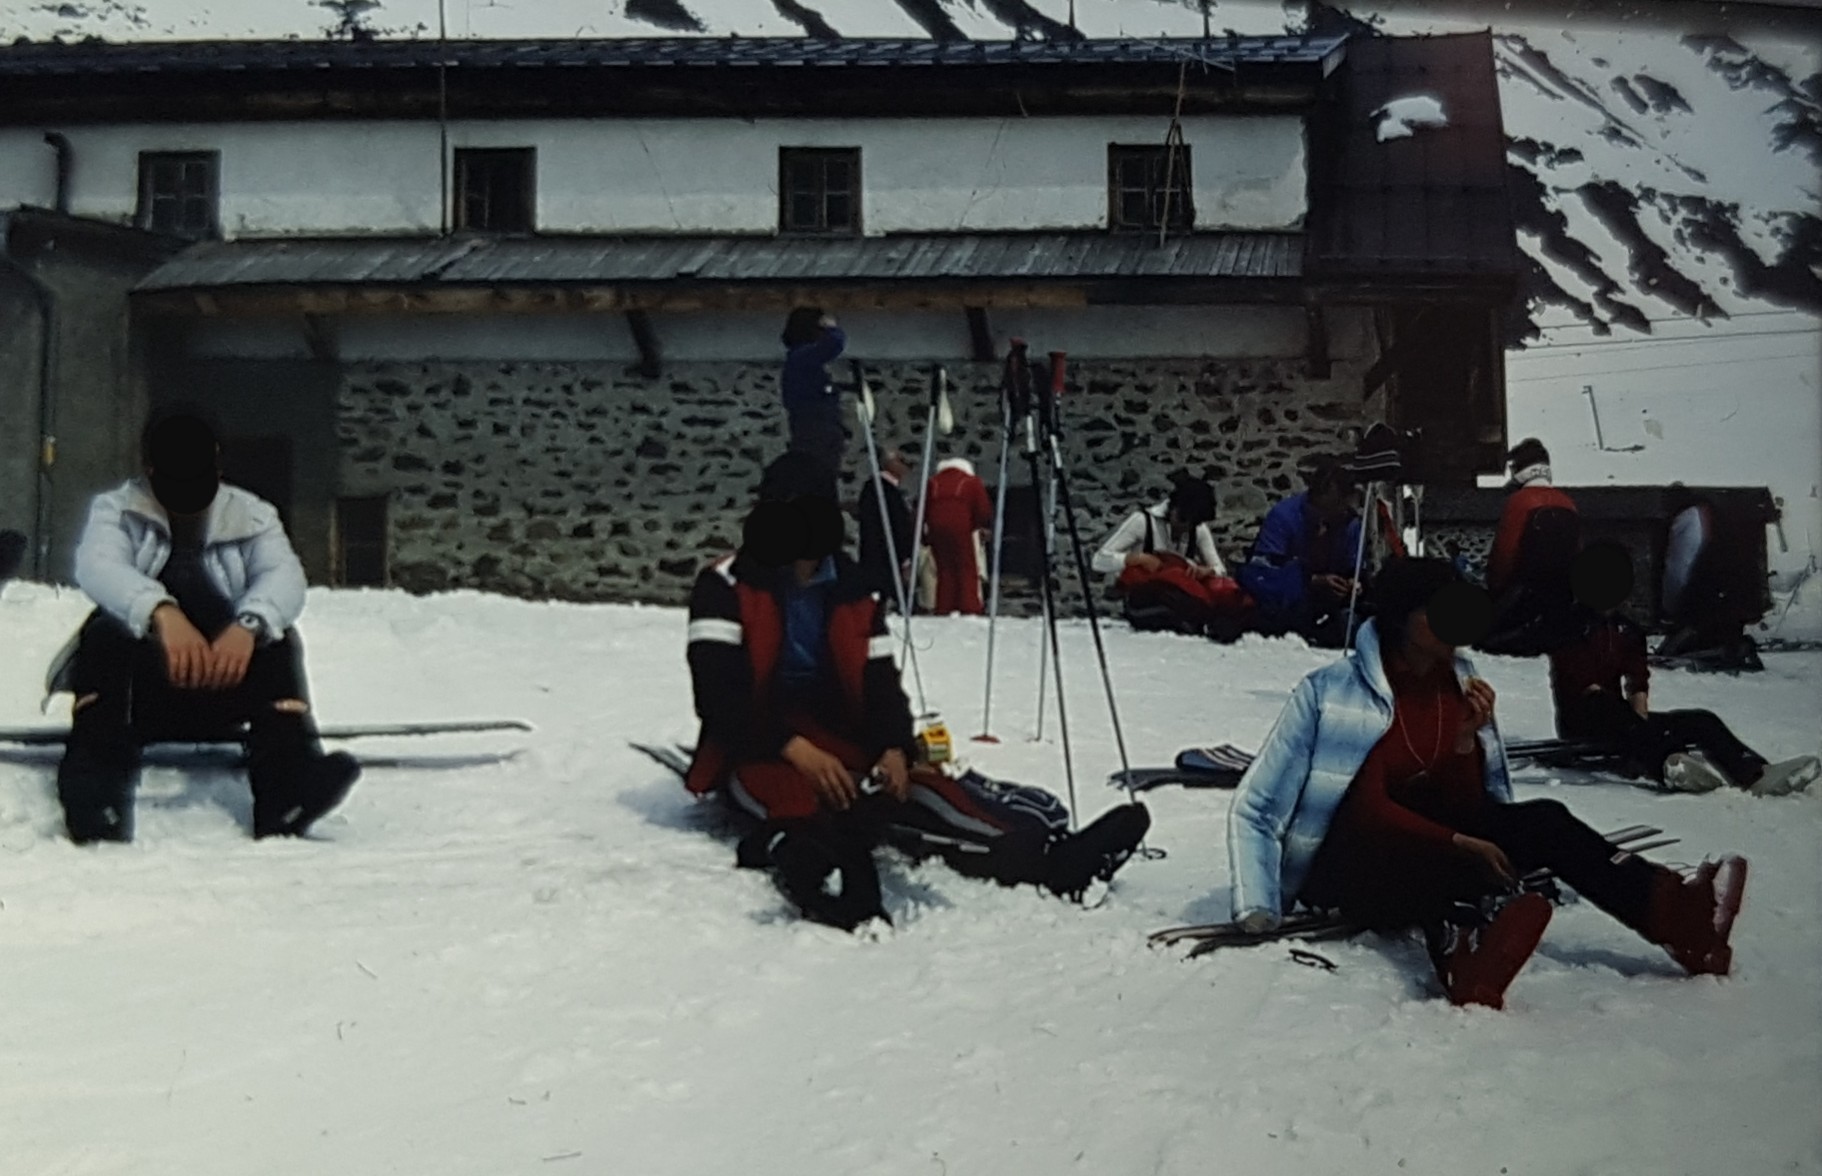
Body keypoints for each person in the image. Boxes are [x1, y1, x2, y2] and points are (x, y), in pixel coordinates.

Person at [1227, 557, 1749, 1009]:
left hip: (1423, 836)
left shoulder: (1457, 681)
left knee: (1544, 820)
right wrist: (1259, 905)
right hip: (1347, 862)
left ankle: (1678, 917)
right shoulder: (1333, 691)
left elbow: (1464, 802)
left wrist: (1464, 743)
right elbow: (1351, 809)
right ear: (1403, 619)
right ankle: (1465, 954)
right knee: (1435, 858)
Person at [683, 455, 1148, 930]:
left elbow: (880, 682)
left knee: (925, 790)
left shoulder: (853, 588)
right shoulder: (723, 586)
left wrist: (892, 746)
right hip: (754, 741)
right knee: (793, 800)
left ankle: (1051, 858)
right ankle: (816, 872)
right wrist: (794, 748)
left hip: (836, 732)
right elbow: (720, 697)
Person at [45, 411, 359, 844]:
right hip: (140, 695)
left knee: (279, 642)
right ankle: (95, 798)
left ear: (217, 465)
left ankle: (288, 791)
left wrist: (248, 626)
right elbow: (99, 567)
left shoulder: (252, 515)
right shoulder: (117, 509)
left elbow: (283, 578)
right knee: (105, 634)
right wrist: (161, 613)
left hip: (225, 684)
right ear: (149, 470)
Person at [1551, 542, 1815, 796]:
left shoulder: (1627, 630)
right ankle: (1666, 763)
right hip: (1584, 721)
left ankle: (1754, 773)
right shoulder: (1569, 627)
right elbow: (1584, 686)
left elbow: (1637, 681)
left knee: (1701, 720)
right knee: (1607, 706)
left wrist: (1643, 719)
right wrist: (1643, 732)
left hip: (1624, 721)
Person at [1093, 476, 1247, 638]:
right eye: (1182, 520)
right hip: (1144, 601)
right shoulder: (1142, 521)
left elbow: (1219, 570)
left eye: (1191, 524)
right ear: (1173, 507)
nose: (1184, 527)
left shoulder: (1198, 530)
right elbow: (1099, 560)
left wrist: (1206, 571)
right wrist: (1138, 559)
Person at [1236, 459, 1364, 647]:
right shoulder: (1283, 516)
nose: (1339, 510)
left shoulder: (1349, 523)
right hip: (1288, 603)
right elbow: (1264, 573)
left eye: (1342, 504)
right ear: (1320, 497)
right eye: (1334, 503)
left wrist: (1354, 583)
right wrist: (1313, 581)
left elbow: (1355, 565)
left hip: (1331, 605)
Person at [1482, 437, 1580, 654]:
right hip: (1560, 605)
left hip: (1522, 603)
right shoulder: (1568, 504)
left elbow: (1503, 557)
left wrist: (1494, 592)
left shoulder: (1519, 502)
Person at [1657, 487, 1762, 666]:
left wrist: (1671, 608)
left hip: (1710, 601)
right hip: (1736, 594)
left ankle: (1709, 646)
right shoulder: (1715, 515)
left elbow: (1679, 568)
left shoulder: (1689, 519)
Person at [779, 306, 848, 485]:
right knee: (818, 476)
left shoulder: (798, 359)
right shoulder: (802, 357)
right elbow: (833, 345)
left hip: (813, 428)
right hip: (816, 429)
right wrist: (832, 328)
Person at [923, 455, 993, 616]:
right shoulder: (971, 482)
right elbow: (983, 508)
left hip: (936, 528)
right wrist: (978, 526)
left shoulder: (933, 482)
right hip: (961, 527)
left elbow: (922, 509)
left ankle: (944, 605)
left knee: (944, 568)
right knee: (966, 567)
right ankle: (969, 606)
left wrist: (925, 535)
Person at [856, 447, 914, 605]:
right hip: (887, 557)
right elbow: (899, 526)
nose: (907, 467)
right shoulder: (886, 491)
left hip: (874, 554)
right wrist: (906, 556)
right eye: (901, 461)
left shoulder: (871, 488)